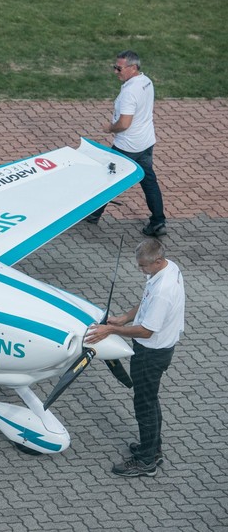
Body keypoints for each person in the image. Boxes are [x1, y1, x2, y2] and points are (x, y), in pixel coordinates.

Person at [84, 238, 185, 477]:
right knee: (150, 399)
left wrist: (111, 330)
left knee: (144, 404)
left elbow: (146, 330)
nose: (140, 270)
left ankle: (146, 460)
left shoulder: (163, 291)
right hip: (159, 348)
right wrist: (124, 318)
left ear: (158, 261)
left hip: (151, 352)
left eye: (143, 266)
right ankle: (153, 447)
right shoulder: (169, 268)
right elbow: (146, 302)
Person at [85, 50, 166, 237]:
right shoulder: (146, 82)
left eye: (118, 68)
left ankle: (94, 214)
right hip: (146, 142)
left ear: (133, 67)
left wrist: (109, 128)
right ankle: (158, 221)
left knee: (107, 179)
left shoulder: (130, 92)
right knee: (149, 181)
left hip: (128, 146)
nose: (115, 71)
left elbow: (124, 123)